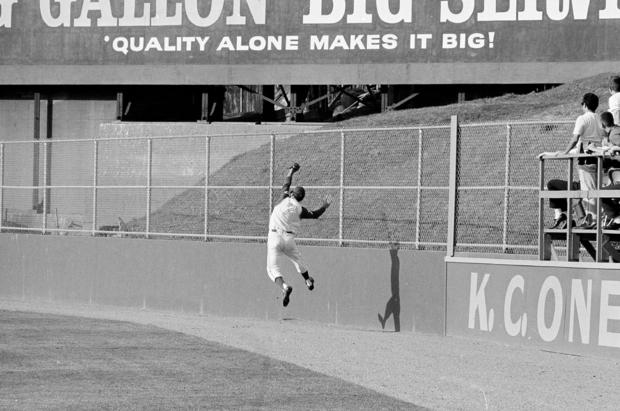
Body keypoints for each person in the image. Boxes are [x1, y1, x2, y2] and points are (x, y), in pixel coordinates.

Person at [267, 162, 331, 307]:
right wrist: (324, 206)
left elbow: (286, 182)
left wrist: (291, 170)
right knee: (298, 261)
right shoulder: (300, 209)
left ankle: (284, 287)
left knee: (272, 269)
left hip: (274, 237)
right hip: (289, 240)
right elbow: (315, 215)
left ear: (291, 193)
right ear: (301, 198)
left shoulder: (284, 198)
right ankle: (308, 281)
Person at [543, 93, 606, 229]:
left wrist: (564, 152)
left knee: (588, 190)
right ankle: (590, 219)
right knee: (594, 189)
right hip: (598, 159)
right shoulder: (599, 119)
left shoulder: (582, 119)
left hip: (586, 160)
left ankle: (592, 221)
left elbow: (575, 139)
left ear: (584, 105)